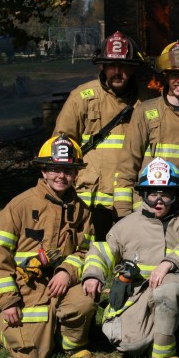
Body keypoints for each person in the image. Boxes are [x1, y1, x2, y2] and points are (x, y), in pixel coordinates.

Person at [82, 158, 179, 358]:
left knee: (169, 290)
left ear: (175, 195)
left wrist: (168, 263)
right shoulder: (126, 226)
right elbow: (102, 252)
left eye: (166, 194)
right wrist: (93, 274)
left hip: (172, 292)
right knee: (131, 346)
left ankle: (165, 352)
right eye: (153, 193)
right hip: (137, 295)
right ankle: (146, 333)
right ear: (143, 194)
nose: (159, 201)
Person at [0, 135, 95, 358]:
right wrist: (8, 301)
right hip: (27, 286)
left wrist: (67, 271)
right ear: (44, 171)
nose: (61, 176)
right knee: (33, 357)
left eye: (68, 170)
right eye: (54, 169)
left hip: (63, 284)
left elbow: (86, 250)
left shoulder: (81, 210)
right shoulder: (21, 206)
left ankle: (70, 344)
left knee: (84, 300)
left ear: (76, 174)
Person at [55, 31, 145, 240]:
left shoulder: (146, 103)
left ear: (132, 68)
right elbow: (61, 147)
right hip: (89, 199)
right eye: (111, 65)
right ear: (101, 66)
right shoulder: (82, 98)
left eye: (123, 66)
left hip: (133, 197)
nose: (117, 71)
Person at [114, 40, 179, 218]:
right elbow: (127, 166)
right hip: (149, 210)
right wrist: (123, 214)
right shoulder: (146, 112)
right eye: (173, 74)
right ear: (165, 76)